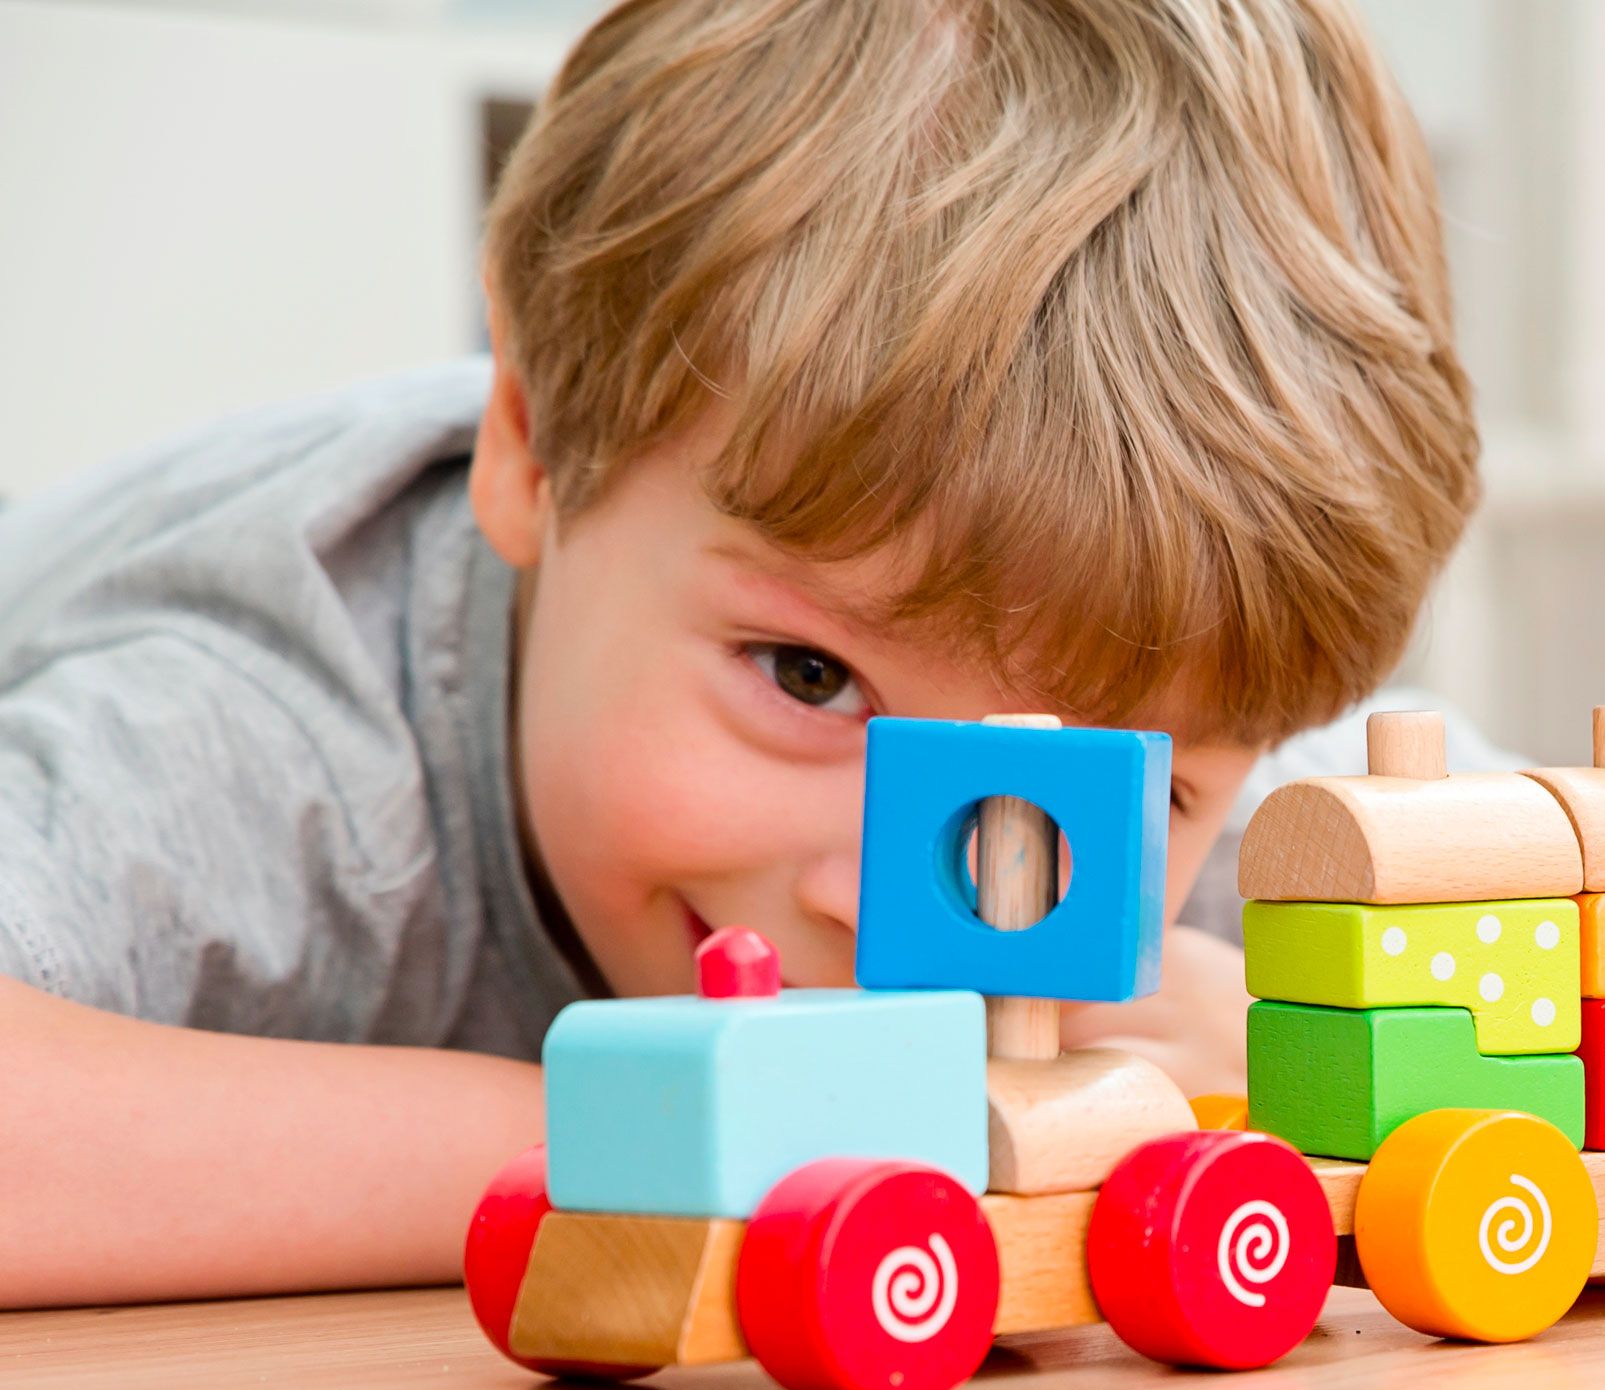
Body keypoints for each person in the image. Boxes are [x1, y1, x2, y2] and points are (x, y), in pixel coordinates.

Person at [0, 0, 1492, 1307]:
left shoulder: (1153, 653)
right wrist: (662, 1134)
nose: (910, 908)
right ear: (528, 442)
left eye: (1110, 790)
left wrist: (1309, 1072)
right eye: (809, 680)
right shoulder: (275, 734)